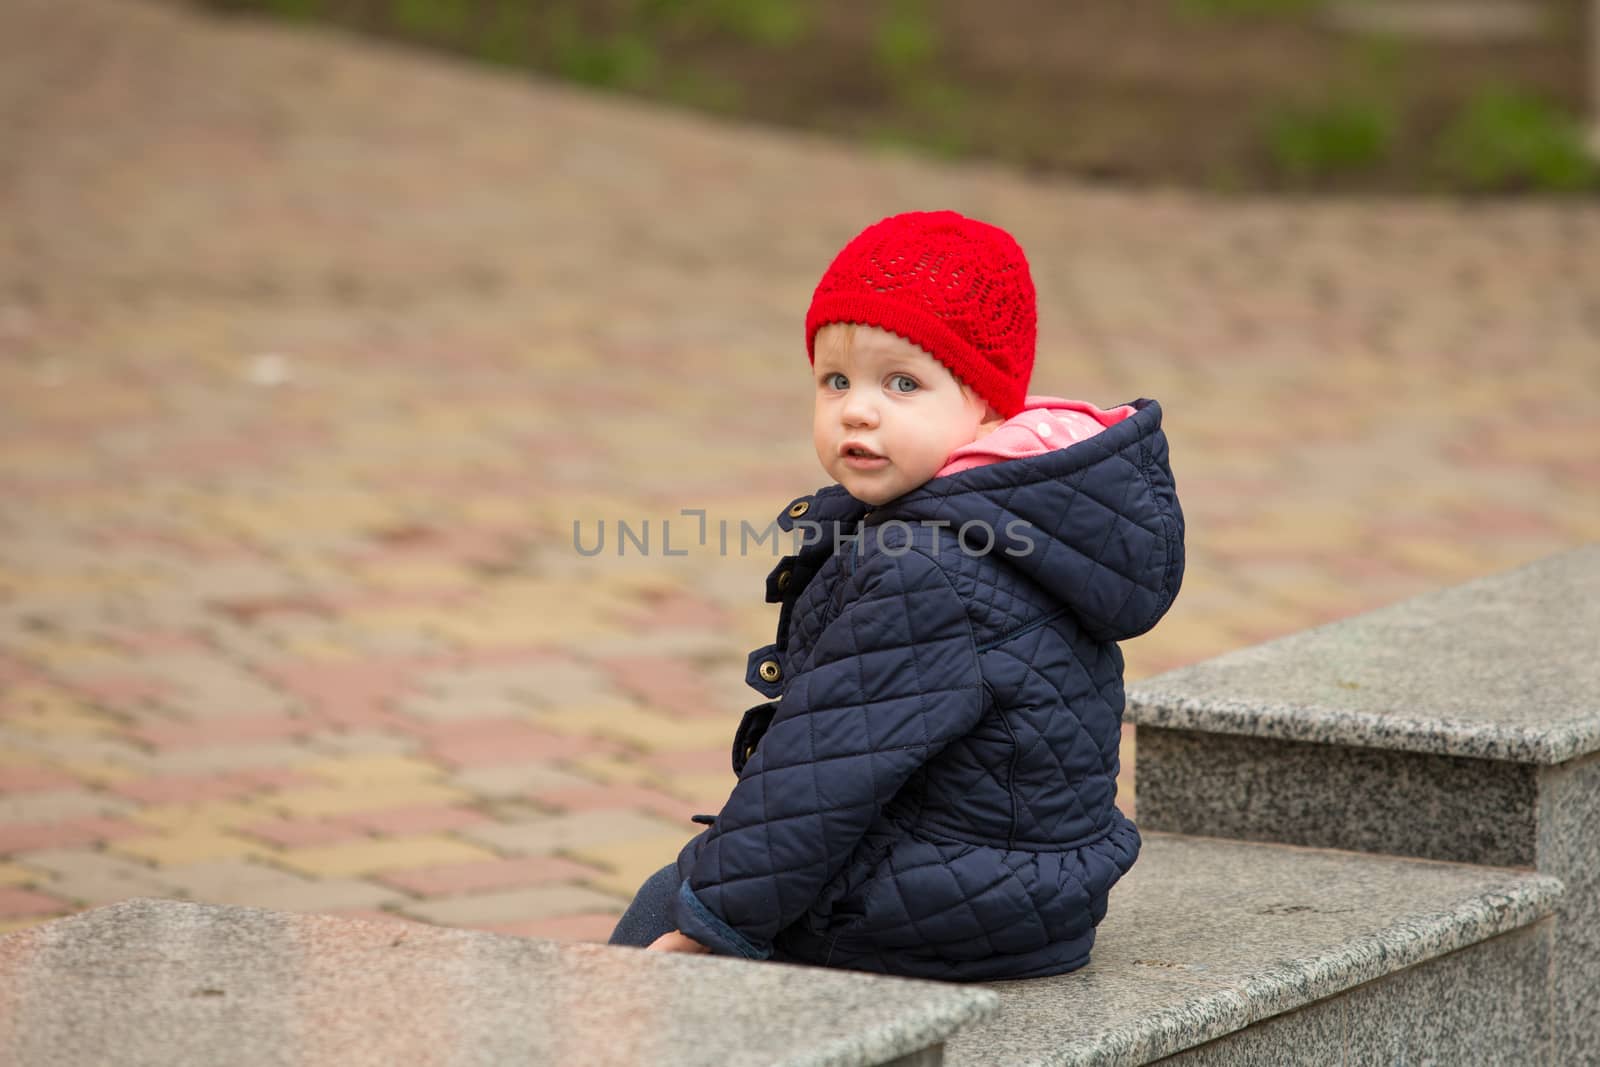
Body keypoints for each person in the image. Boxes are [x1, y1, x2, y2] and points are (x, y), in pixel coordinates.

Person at [608, 210, 1185, 981]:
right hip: (1029, 888)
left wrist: (711, 922)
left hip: (944, 914)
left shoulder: (926, 568)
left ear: (984, 403)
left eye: (902, 382)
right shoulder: (1022, 513)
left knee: (667, 899)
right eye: (835, 380)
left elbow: (823, 772)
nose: (857, 407)